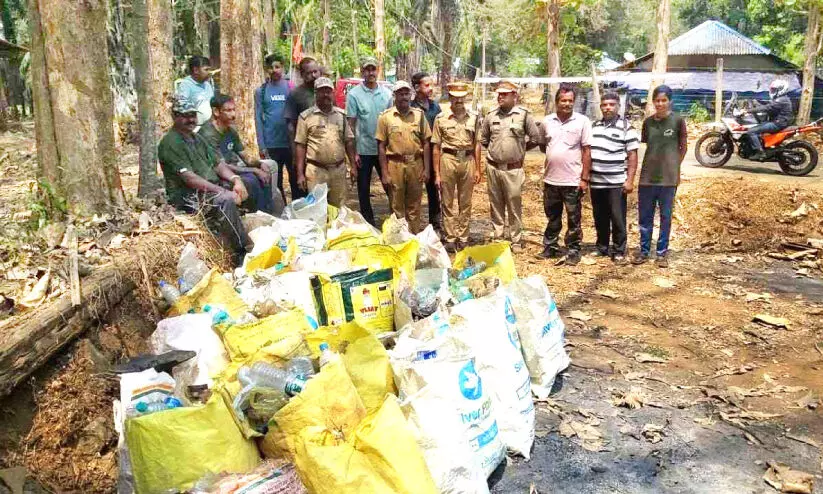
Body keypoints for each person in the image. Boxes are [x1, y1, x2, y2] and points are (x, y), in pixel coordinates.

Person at [158, 97, 250, 264]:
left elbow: (218, 164)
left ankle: (251, 225)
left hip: (208, 187)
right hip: (188, 196)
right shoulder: (170, 143)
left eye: (193, 115)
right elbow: (190, 179)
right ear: (175, 116)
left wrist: (236, 180)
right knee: (225, 199)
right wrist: (222, 191)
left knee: (248, 182)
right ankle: (242, 249)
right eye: (185, 116)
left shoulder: (196, 138)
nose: (191, 120)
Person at [480, 80, 542, 252]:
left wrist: (519, 151)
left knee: (514, 204)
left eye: (505, 94)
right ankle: (498, 235)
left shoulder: (524, 115)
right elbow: (484, 140)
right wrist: (496, 153)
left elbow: (535, 138)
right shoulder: (491, 116)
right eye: (499, 94)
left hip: (513, 169)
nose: (500, 97)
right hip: (493, 168)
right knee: (496, 203)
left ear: (515, 95)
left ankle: (516, 239)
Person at [198, 93, 281, 215]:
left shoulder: (230, 130)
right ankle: (255, 214)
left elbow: (244, 155)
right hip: (216, 173)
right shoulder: (208, 134)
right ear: (216, 111)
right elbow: (220, 166)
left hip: (233, 166)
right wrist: (253, 170)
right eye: (228, 110)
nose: (233, 114)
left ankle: (267, 212)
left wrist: (258, 164)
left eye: (234, 110)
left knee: (267, 169)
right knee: (252, 179)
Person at [632, 85, 687, 268]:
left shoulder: (678, 121)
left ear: (670, 101)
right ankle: (644, 250)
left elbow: (683, 146)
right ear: (653, 102)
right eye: (657, 100)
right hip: (647, 177)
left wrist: (675, 167)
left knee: (665, 217)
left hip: (668, 179)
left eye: (664, 100)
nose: (660, 104)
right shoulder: (648, 123)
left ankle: (662, 253)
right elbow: (648, 144)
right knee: (645, 216)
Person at [538, 84, 592, 265]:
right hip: (551, 179)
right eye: (563, 100)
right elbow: (543, 146)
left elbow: (586, 151)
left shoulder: (582, 121)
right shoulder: (547, 121)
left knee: (573, 218)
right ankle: (550, 247)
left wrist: (584, 179)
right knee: (552, 216)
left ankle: (573, 250)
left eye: (570, 101)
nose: (567, 104)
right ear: (556, 102)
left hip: (572, 180)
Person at [587, 91, 639, 265]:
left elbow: (632, 155)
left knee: (617, 217)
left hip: (616, 182)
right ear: (600, 106)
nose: (607, 107)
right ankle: (602, 247)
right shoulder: (594, 126)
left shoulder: (627, 127)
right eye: (604, 104)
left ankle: (618, 250)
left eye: (611, 104)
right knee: (599, 216)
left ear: (618, 106)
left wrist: (630, 180)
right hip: (597, 182)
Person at [376, 81, 431, 234]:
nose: (404, 97)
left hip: (416, 164)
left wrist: (427, 169)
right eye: (400, 94)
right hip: (395, 165)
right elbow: (381, 146)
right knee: (396, 206)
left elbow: (426, 143)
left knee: (414, 206)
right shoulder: (386, 118)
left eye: (407, 93)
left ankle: (413, 238)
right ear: (395, 96)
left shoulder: (419, 116)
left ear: (410, 95)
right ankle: (398, 241)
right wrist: (384, 173)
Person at [432, 81, 481, 252]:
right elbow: (436, 147)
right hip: (448, 159)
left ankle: (463, 237)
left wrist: (478, 169)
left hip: (467, 160)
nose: (458, 101)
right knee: (447, 201)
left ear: (465, 97)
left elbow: (476, 144)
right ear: (450, 97)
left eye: (461, 97)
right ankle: (450, 237)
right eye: (455, 97)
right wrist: (437, 173)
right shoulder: (441, 118)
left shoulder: (474, 117)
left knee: (465, 202)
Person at [294, 77, 357, 208]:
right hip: (316, 171)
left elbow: (349, 142)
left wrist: (353, 166)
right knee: (317, 209)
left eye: (328, 91)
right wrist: (300, 174)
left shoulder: (341, 116)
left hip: (338, 170)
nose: (326, 95)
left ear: (333, 93)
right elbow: (300, 145)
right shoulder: (306, 117)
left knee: (339, 209)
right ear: (316, 93)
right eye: (322, 91)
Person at [347, 57, 394, 226]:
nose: (370, 73)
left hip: (384, 151)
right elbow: (350, 125)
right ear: (362, 72)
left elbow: (391, 123)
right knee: (363, 190)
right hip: (364, 150)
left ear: (378, 70)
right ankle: (369, 223)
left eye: (373, 69)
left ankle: (395, 221)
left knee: (390, 186)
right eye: (367, 70)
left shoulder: (387, 94)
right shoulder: (354, 95)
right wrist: (353, 154)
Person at [255, 54, 299, 202]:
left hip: (291, 143)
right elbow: (258, 118)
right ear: (266, 69)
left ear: (283, 67)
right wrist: (262, 145)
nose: (274, 70)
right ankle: (281, 213)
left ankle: (297, 212)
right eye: (271, 67)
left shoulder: (291, 87)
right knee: (276, 183)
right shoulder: (261, 91)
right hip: (272, 144)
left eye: (277, 67)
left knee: (296, 181)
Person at [411, 71, 443, 233]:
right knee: (413, 193)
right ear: (417, 88)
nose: (431, 88)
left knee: (434, 191)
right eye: (427, 85)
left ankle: (436, 225)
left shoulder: (435, 107)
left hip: (433, 154)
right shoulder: (410, 108)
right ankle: (412, 227)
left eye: (432, 85)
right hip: (416, 156)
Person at [284, 56, 320, 199]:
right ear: (302, 75)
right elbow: (291, 127)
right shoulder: (295, 95)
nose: (313, 76)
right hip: (303, 150)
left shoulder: (325, 91)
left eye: (316, 72)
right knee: (302, 194)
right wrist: (295, 154)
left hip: (321, 153)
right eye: (309, 73)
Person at [745, 79, 794, 160]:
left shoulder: (781, 100)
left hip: (778, 124)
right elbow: (769, 105)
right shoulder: (782, 99)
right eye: (772, 89)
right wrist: (755, 103)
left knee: (751, 131)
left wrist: (748, 111)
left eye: (774, 90)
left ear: (781, 90)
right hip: (780, 122)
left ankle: (760, 152)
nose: (772, 91)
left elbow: (767, 107)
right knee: (759, 126)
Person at [175, 55, 215, 126]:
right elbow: (182, 105)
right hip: (196, 127)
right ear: (196, 70)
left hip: (211, 125)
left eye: (209, 69)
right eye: (206, 69)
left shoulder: (207, 85)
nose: (209, 72)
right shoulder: (186, 85)